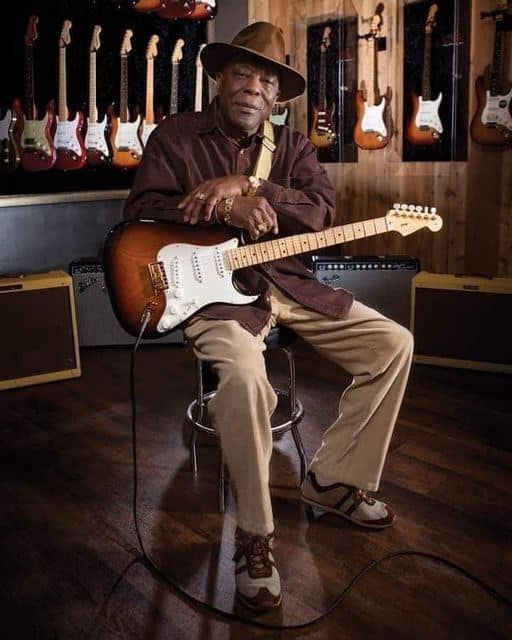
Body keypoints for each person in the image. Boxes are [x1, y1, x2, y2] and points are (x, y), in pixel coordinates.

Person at [122, 22, 413, 613]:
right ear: (220, 79)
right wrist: (226, 206)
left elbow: (320, 212)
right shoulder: (175, 138)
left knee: (393, 343)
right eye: (243, 72)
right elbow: (141, 214)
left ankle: (332, 479)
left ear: (277, 96)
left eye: (267, 79)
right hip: (214, 297)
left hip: (287, 282)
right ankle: (255, 537)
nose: (254, 87)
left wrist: (256, 184)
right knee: (249, 379)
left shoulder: (296, 148)